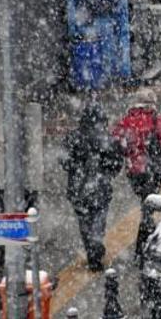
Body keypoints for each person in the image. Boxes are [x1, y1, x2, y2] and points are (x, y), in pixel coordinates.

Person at [111, 89, 161, 257]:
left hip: (134, 172)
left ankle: (144, 245)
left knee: (145, 204)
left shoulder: (126, 121)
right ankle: (143, 247)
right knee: (148, 209)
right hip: (152, 170)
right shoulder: (156, 120)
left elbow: (117, 142)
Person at [61, 103, 123, 271]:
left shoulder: (73, 137)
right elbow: (117, 163)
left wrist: (77, 168)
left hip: (77, 189)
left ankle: (91, 248)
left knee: (84, 222)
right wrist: (106, 173)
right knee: (98, 220)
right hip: (100, 187)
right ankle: (95, 249)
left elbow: (64, 161)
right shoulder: (106, 139)